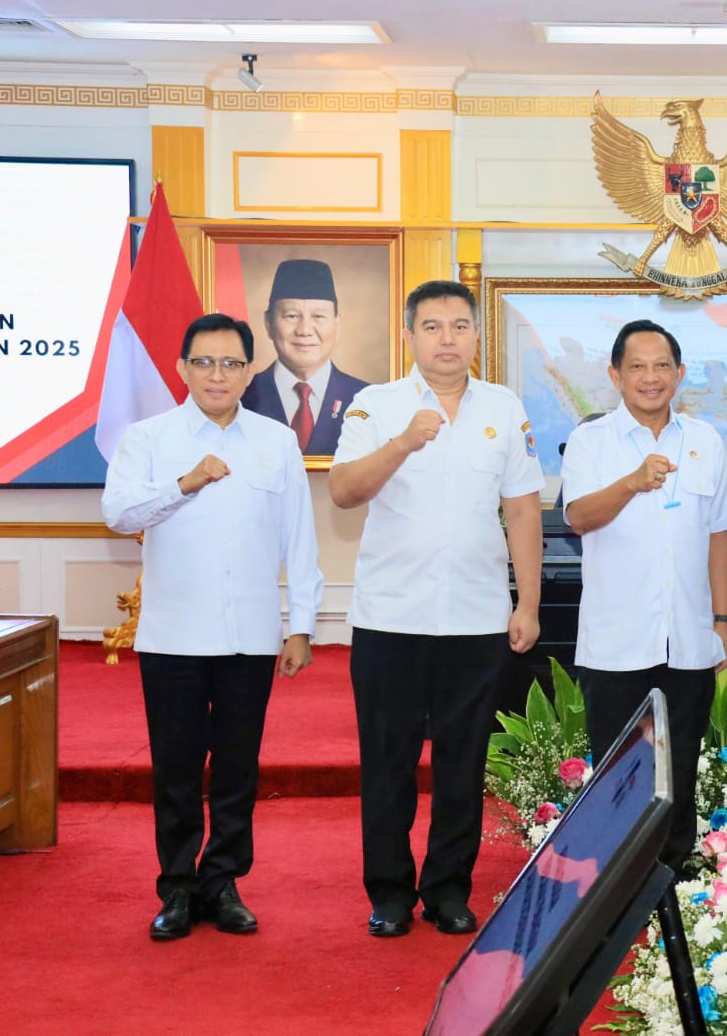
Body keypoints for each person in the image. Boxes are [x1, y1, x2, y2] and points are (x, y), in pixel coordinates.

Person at [328, 278, 544, 939]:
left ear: (476, 335)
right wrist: (401, 443)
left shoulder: (504, 407)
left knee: (463, 763)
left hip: (477, 617)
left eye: (458, 326)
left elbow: (522, 510)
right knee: (388, 762)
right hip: (391, 617)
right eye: (431, 326)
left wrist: (528, 603)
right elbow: (343, 491)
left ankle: (448, 889)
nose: (446, 339)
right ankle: (390, 892)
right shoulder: (375, 405)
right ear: (408, 336)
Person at [102, 312, 323, 942]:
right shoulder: (148, 438)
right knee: (175, 769)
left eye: (231, 363)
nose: (217, 375)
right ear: (182, 368)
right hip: (173, 635)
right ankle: (176, 888)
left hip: (250, 635)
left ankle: (222, 882)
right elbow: (118, 513)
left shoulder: (275, 441)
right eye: (204, 362)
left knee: (236, 769)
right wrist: (185, 483)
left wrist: (301, 626)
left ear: (250, 372)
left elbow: (299, 538)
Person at [561, 319, 727, 873]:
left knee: (679, 772)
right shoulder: (592, 441)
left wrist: (722, 621)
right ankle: (619, 885)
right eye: (636, 366)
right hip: (616, 643)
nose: (650, 377)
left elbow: (718, 537)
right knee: (618, 777)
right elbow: (577, 517)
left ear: (679, 374)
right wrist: (631, 483)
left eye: (662, 366)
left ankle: (671, 880)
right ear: (615, 375)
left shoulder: (704, 441)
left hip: (687, 640)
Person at [241, 258, 370, 455]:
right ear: (268, 324)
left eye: (318, 317)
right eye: (291, 316)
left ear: (337, 324)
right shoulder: (241, 396)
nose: (304, 330)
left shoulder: (367, 398)